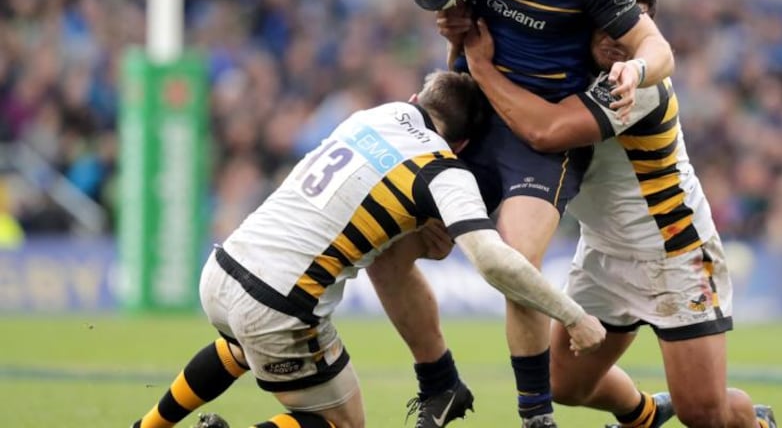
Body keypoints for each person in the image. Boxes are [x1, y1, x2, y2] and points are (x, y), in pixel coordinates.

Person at [371, 0, 779, 428]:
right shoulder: (562, 65)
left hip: (674, 250)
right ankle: (644, 415)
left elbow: (546, 133)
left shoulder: (637, 85)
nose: (619, 42)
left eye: (634, 30)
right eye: (612, 25)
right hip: (604, 252)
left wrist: (483, 66)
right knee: (563, 384)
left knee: (703, 413)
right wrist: (457, 29)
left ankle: (755, 422)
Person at [360, 0, 675, 427]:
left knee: (516, 260)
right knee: (387, 254)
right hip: (468, 128)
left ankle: (535, 416)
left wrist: (638, 72)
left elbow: (657, 46)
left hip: (542, 139)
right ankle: (439, 383)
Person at [129, 70, 606, 428]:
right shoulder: (444, 169)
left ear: (418, 99)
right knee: (344, 425)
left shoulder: (373, 115)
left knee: (239, 347)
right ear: (460, 143)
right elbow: (493, 259)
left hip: (223, 268)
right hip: (279, 303)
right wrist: (572, 315)